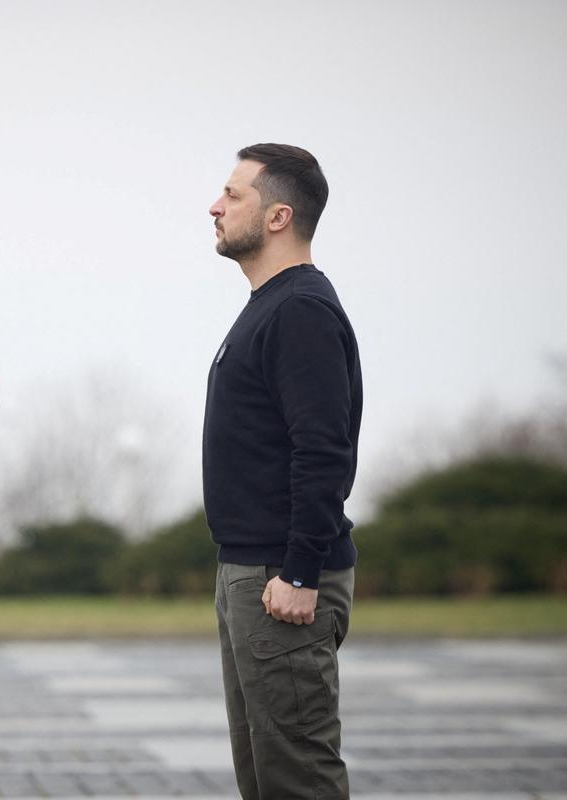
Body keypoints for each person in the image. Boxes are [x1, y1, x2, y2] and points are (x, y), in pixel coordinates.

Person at [203, 143, 362, 799]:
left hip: (283, 579)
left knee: (297, 779)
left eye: (233, 194)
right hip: (251, 573)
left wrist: (300, 569)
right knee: (266, 780)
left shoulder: (299, 310)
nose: (214, 206)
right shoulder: (271, 305)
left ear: (277, 217)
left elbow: (323, 451)